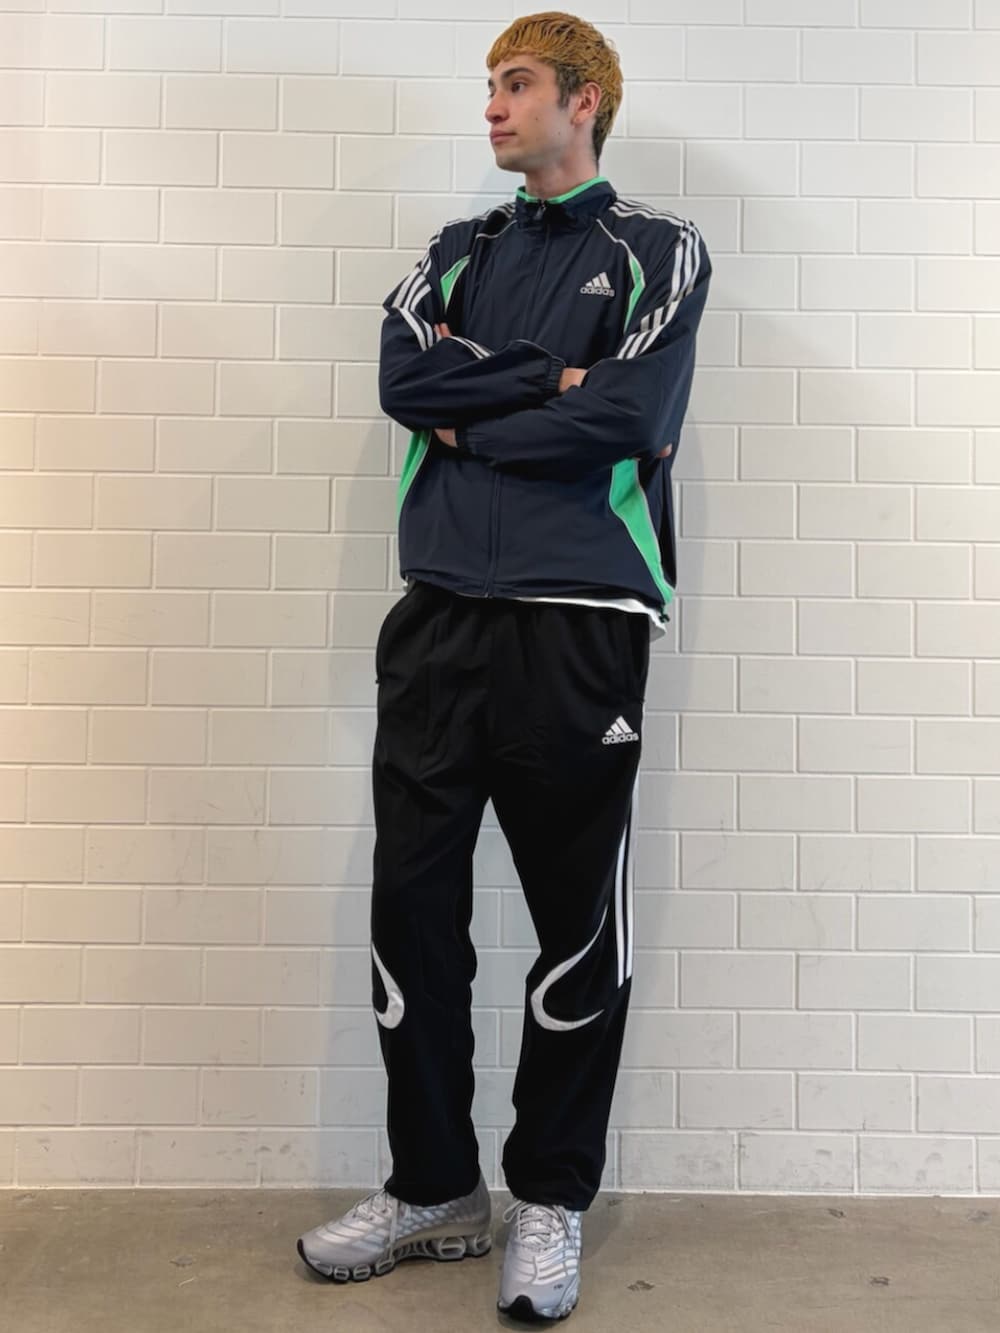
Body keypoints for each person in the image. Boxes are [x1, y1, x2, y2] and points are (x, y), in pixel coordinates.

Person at [297, 10, 711, 1322]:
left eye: (516, 83)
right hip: (437, 622)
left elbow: (632, 413)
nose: (492, 105)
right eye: (488, 85)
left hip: (579, 623)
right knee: (411, 921)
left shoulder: (657, 248)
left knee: (575, 930)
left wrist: (483, 409)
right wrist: (546, 381)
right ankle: (434, 1189)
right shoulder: (451, 254)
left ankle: (550, 1199)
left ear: (584, 100)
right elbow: (403, 380)